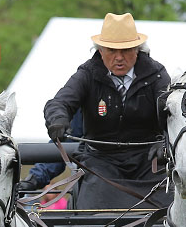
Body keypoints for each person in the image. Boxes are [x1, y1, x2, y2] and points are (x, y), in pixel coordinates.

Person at [43, 12, 170, 210]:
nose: (119, 57)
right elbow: (59, 103)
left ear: (137, 49)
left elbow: (173, 113)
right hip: (100, 163)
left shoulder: (157, 75)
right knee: (90, 216)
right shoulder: (87, 74)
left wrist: (166, 140)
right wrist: (58, 118)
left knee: (171, 213)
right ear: (100, 51)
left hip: (150, 163)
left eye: (126, 50)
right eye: (111, 50)